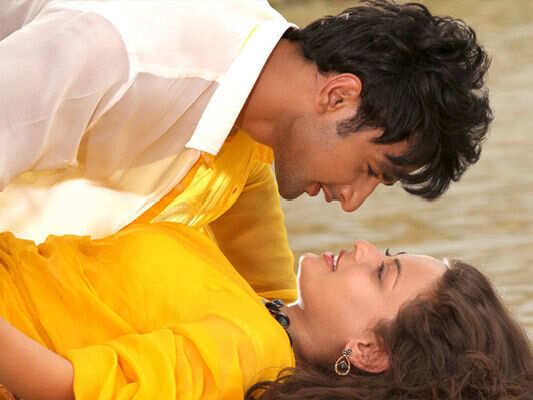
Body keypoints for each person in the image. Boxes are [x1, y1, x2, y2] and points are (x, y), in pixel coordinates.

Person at [0, 0, 493, 303]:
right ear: (338, 96)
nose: (352, 201)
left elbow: (268, 289)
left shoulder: (255, 110)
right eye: (370, 169)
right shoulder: (119, 55)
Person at [0, 222, 531, 400]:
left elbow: (64, 389)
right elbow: (253, 178)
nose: (364, 247)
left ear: (368, 350)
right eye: (387, 252)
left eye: (380, 273)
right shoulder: (268, 309)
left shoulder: (246, 350)